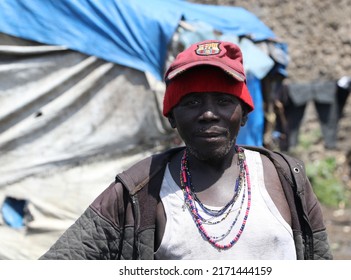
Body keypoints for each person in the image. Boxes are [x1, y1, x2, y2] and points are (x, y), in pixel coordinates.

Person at [40, 40, 332, 260]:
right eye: (192, 102)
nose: (208, 114)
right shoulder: (138, 190)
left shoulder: (285, 179)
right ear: (171, 117)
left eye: (223, 101)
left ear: (243, 114)